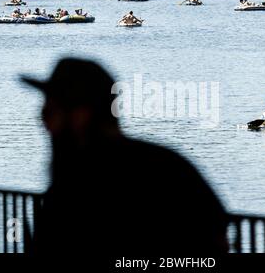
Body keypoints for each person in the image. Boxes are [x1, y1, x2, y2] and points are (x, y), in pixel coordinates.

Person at [21, 58, 228, 258]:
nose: (44, 124)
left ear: (80, 115)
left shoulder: (69, 187)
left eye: (48, 113)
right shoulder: (168, 165)